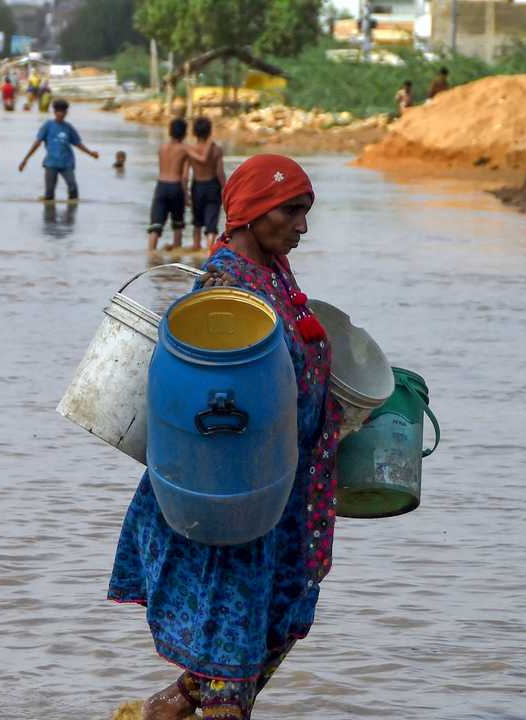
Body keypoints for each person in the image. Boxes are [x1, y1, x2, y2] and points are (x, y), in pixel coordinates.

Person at [111, 153, 341, 720]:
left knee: (266, 636)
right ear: (253, 211)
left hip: (282, 499)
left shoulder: (273, 275)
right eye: (291, 211)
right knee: (229, 666)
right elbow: (213, 412)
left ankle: (151, 716)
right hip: (230, 507)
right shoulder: (223, 292)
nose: (302, 227)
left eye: (306, 212)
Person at [18, 99, 100, 201]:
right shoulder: (47, 126)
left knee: (73, 188)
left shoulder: (69, 128)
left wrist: (90, 153)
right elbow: (37, 143)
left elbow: (78, 143)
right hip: (51, 163)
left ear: (66, 113)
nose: (60, 114)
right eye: (58, 112)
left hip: (67, 163)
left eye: (63, 112)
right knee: (49, 195)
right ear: (54, 112)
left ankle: (71, 215)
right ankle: (49, 216)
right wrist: (25, 159)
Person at [148, 118, 192, 251]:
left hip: (161, 186)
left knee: (155, 225)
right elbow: (184, 176)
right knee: (177, 224)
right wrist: (186, 196)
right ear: (184, 133)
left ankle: (150, 255)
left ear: (170, 132)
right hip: (176, 186)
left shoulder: (162, 148)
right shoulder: (185, 150)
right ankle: (177, 253)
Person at [188, 116, 227, 250]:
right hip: (212, 186)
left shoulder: (191, 150)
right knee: (211, 222)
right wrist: (225, 189)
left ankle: (196, 246)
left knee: (197, 222)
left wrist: (185, 192)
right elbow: (220, 172)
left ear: (194, 132)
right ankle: (209, 249)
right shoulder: (216, 149)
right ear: (209, 131)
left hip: (197, 186)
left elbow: (185, 174)